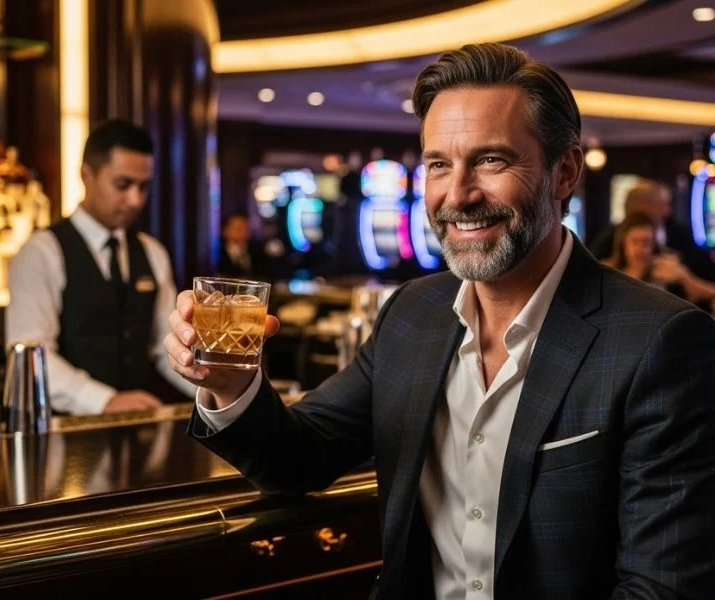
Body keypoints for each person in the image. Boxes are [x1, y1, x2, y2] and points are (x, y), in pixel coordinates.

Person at [166, 43, 715, 599]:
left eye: (491, 160)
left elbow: (662, 588)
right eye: (438, 165)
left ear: (565, 171)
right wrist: (231, 384)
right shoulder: (413, 312)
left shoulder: (661, 341)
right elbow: (296, 458)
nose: (458, 195)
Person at [7, 119, 196, 415]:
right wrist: (103, 400)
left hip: (136, 423)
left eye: (143, 187)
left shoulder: (152, 252)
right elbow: (29, 355)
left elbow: (165, 346)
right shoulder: (42, 252)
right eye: (123, 185)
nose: (135, 200)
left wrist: (220, 390)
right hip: (66, 426)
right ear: (87, 175)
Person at [603, 211, 715, 309]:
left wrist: (684, 277)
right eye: (635, 242)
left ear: (654, 244)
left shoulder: (666, 268)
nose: (641, 249)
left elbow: (707, 292)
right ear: (623, 244)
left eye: (646, 242)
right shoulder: (607, 271)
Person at [216, 212, 265, 279]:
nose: (242, 231)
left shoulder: (257, 250)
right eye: (237, 228)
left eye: (245, 228)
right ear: (225, 231)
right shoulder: (217, 253)